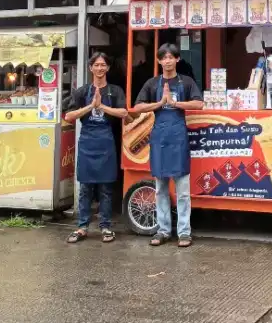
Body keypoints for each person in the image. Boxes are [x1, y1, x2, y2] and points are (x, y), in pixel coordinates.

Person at [132, 43, 204, 247]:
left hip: (178, 138)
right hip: (160, 139)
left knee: (182, 190)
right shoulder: (152, 83)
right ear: (159, 61)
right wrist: (159, 103)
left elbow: (199, 103)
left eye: (171, 57)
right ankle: (163, 230)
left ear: (177, 59)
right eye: (164, 57)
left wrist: (175, 103)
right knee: (161, 188)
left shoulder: (187, 82)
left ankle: (184, 232)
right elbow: (138, 107)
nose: (168, 60)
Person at [64, 51, 130, 244]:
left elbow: (123, 112)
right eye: (96, 65)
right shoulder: (82, 91)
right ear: (90, 68)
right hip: (87, 141)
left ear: (107, 68)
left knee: (106, 188)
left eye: (103, 65)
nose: (100, 68)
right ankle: (82, 226)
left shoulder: (115, 91)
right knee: (85, 187)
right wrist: (90, 106)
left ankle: (106, 226)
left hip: (106, 141)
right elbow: (69, 116)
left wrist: (102, 107)